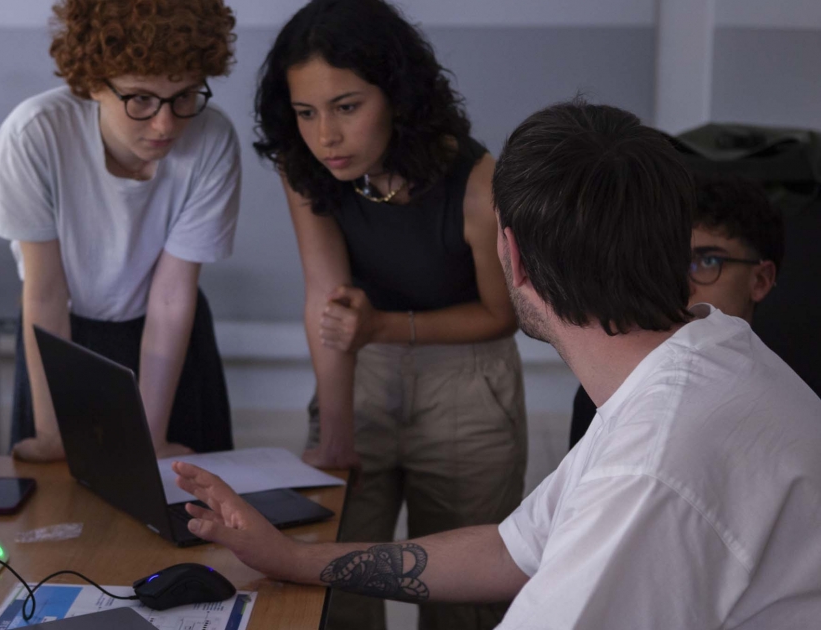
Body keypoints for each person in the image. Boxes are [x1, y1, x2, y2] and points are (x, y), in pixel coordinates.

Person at [172, 101, 821, 629]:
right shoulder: (703, 352)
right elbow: (513, 550)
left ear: (512, 255)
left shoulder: (651, 464)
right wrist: (295, 560)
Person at [254, 1, 525, 628]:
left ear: (398, 97)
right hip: (359, 366)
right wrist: (336, 431)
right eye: (305, 112)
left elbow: (500, 314)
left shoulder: (481, 182)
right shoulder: (304, 165)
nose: (325, 135)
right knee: (332, 587)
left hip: (468, 385)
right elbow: (327, 295)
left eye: (347, 107)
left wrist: (382, 327)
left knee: (465, 601)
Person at [0, 0, 240, 462]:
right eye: (140, 98)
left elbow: (170, 296)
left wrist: (150, 436)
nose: (165, 124)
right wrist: (51, 434)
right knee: (56, 504)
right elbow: (45, 294)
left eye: (184, 95)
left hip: (169, 338)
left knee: (183, 507)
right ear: (90, 85)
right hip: (62, 336)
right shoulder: (35, 135)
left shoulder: (212, 139)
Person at [568, 175, 785, 448]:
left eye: (708, 261)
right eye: (674, 261)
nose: (683, 285)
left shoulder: (786, 398)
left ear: (761, 280)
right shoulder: (607, 393)